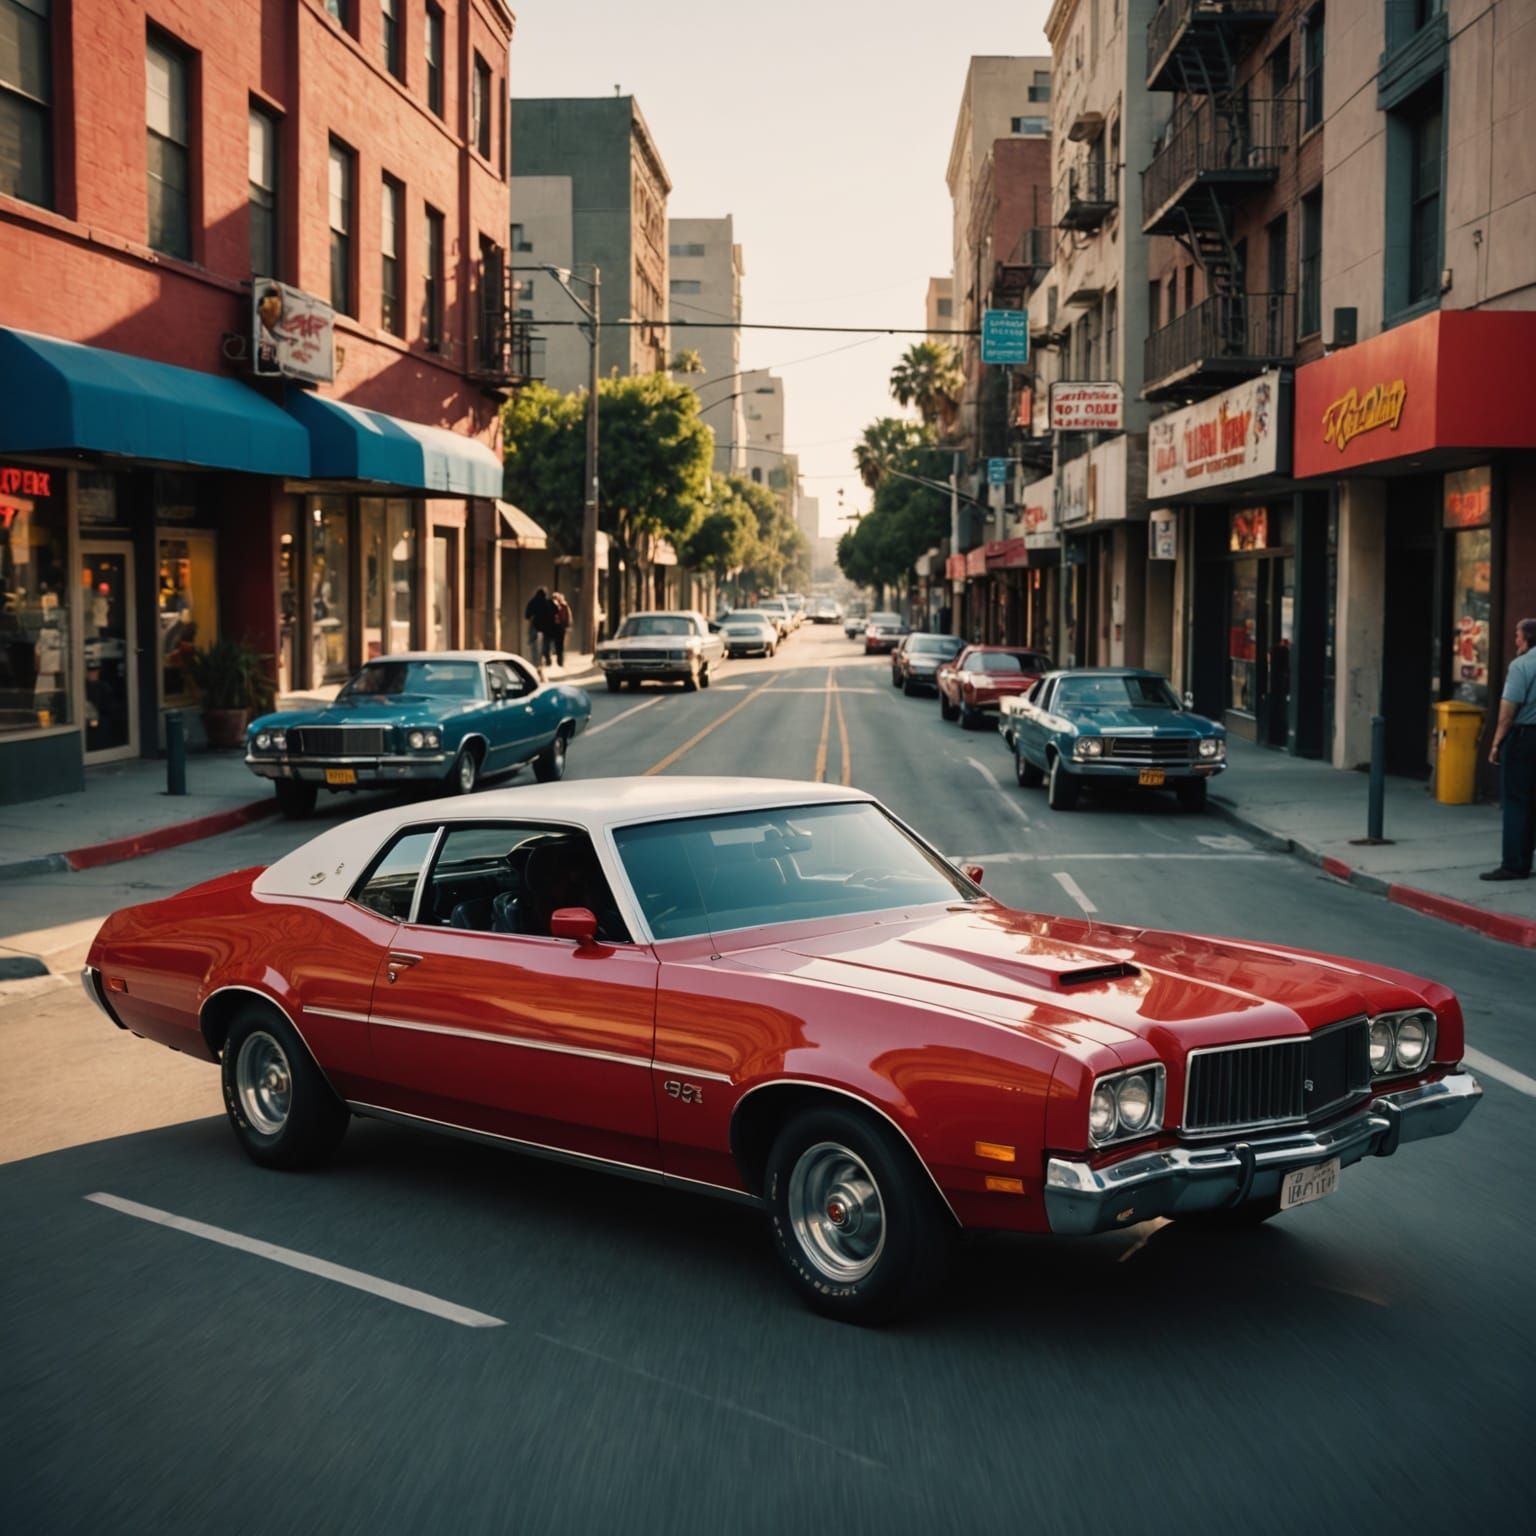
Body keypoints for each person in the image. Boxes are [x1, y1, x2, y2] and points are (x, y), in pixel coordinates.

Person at [1482, 617, 1536, 882]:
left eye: (1517, 635)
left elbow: (1508, 710)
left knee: (1516, 802)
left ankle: (1515, 864)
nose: (1515, 640)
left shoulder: (1521, 665)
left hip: (1524, 737)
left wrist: (1496, 743)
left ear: (1527, 638)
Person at [524, 586, 555, 669]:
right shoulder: (549, 602)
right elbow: (553, 614)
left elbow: (527, 615)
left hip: (535, 626)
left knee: (533, 643)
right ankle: (547, 658)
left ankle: (535, 661)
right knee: (547, 643)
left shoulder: (532, 602)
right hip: (546, 627)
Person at [549, 588, 572, 668]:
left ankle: (560, 660)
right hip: (554, 627)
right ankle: (556, 659)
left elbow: (568, 616)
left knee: (560, 644)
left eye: (556, 598)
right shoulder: (552, 606)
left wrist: (566, 625)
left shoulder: (564, 606)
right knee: (555, 644)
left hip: (561, 627)